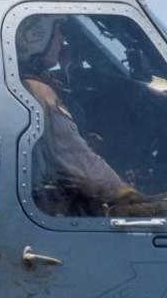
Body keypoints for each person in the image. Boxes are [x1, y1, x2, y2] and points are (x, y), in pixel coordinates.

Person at [16, 15, 167, 217]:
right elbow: (79, 163)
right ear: (36, 35)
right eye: (59, 29)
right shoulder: (39, 91)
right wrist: (130, 196)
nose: (62, 39)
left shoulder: (29, 84)